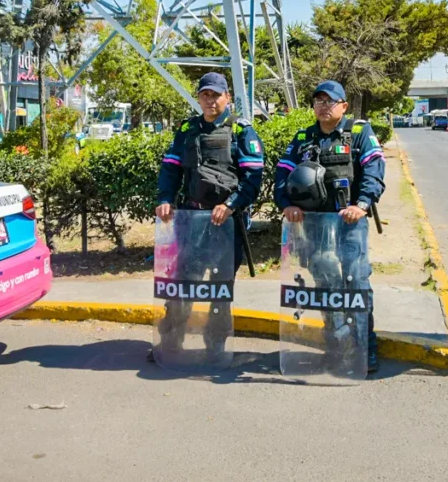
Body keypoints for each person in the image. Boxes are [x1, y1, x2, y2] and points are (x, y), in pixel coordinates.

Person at [273, 80, 386, 373]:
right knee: (325, 283)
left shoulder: (359, 133)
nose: (324, 106)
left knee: (356, 282)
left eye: (330, 101)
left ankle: (364, 347)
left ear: (343, 106)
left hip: (349, 225)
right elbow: (282, 173)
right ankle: (334, 343)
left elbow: (374, 169)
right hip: (315, 226)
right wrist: (286, 203)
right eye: (319, 101)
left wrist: (361, 204)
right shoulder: (303, 138)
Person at [152, 72, 265, 361]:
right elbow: (171, 168)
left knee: (220, 287)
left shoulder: (241, 130)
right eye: (205, 95)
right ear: (199, 97)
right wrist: (165, 199)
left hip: (228, 224)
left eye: (216, 95)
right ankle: (170, 343)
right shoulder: (188, 129)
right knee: (182, 283)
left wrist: (230, 204)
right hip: (192, 221)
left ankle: (216, 347)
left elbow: (253, 177)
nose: (210, 100)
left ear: (227, 97)